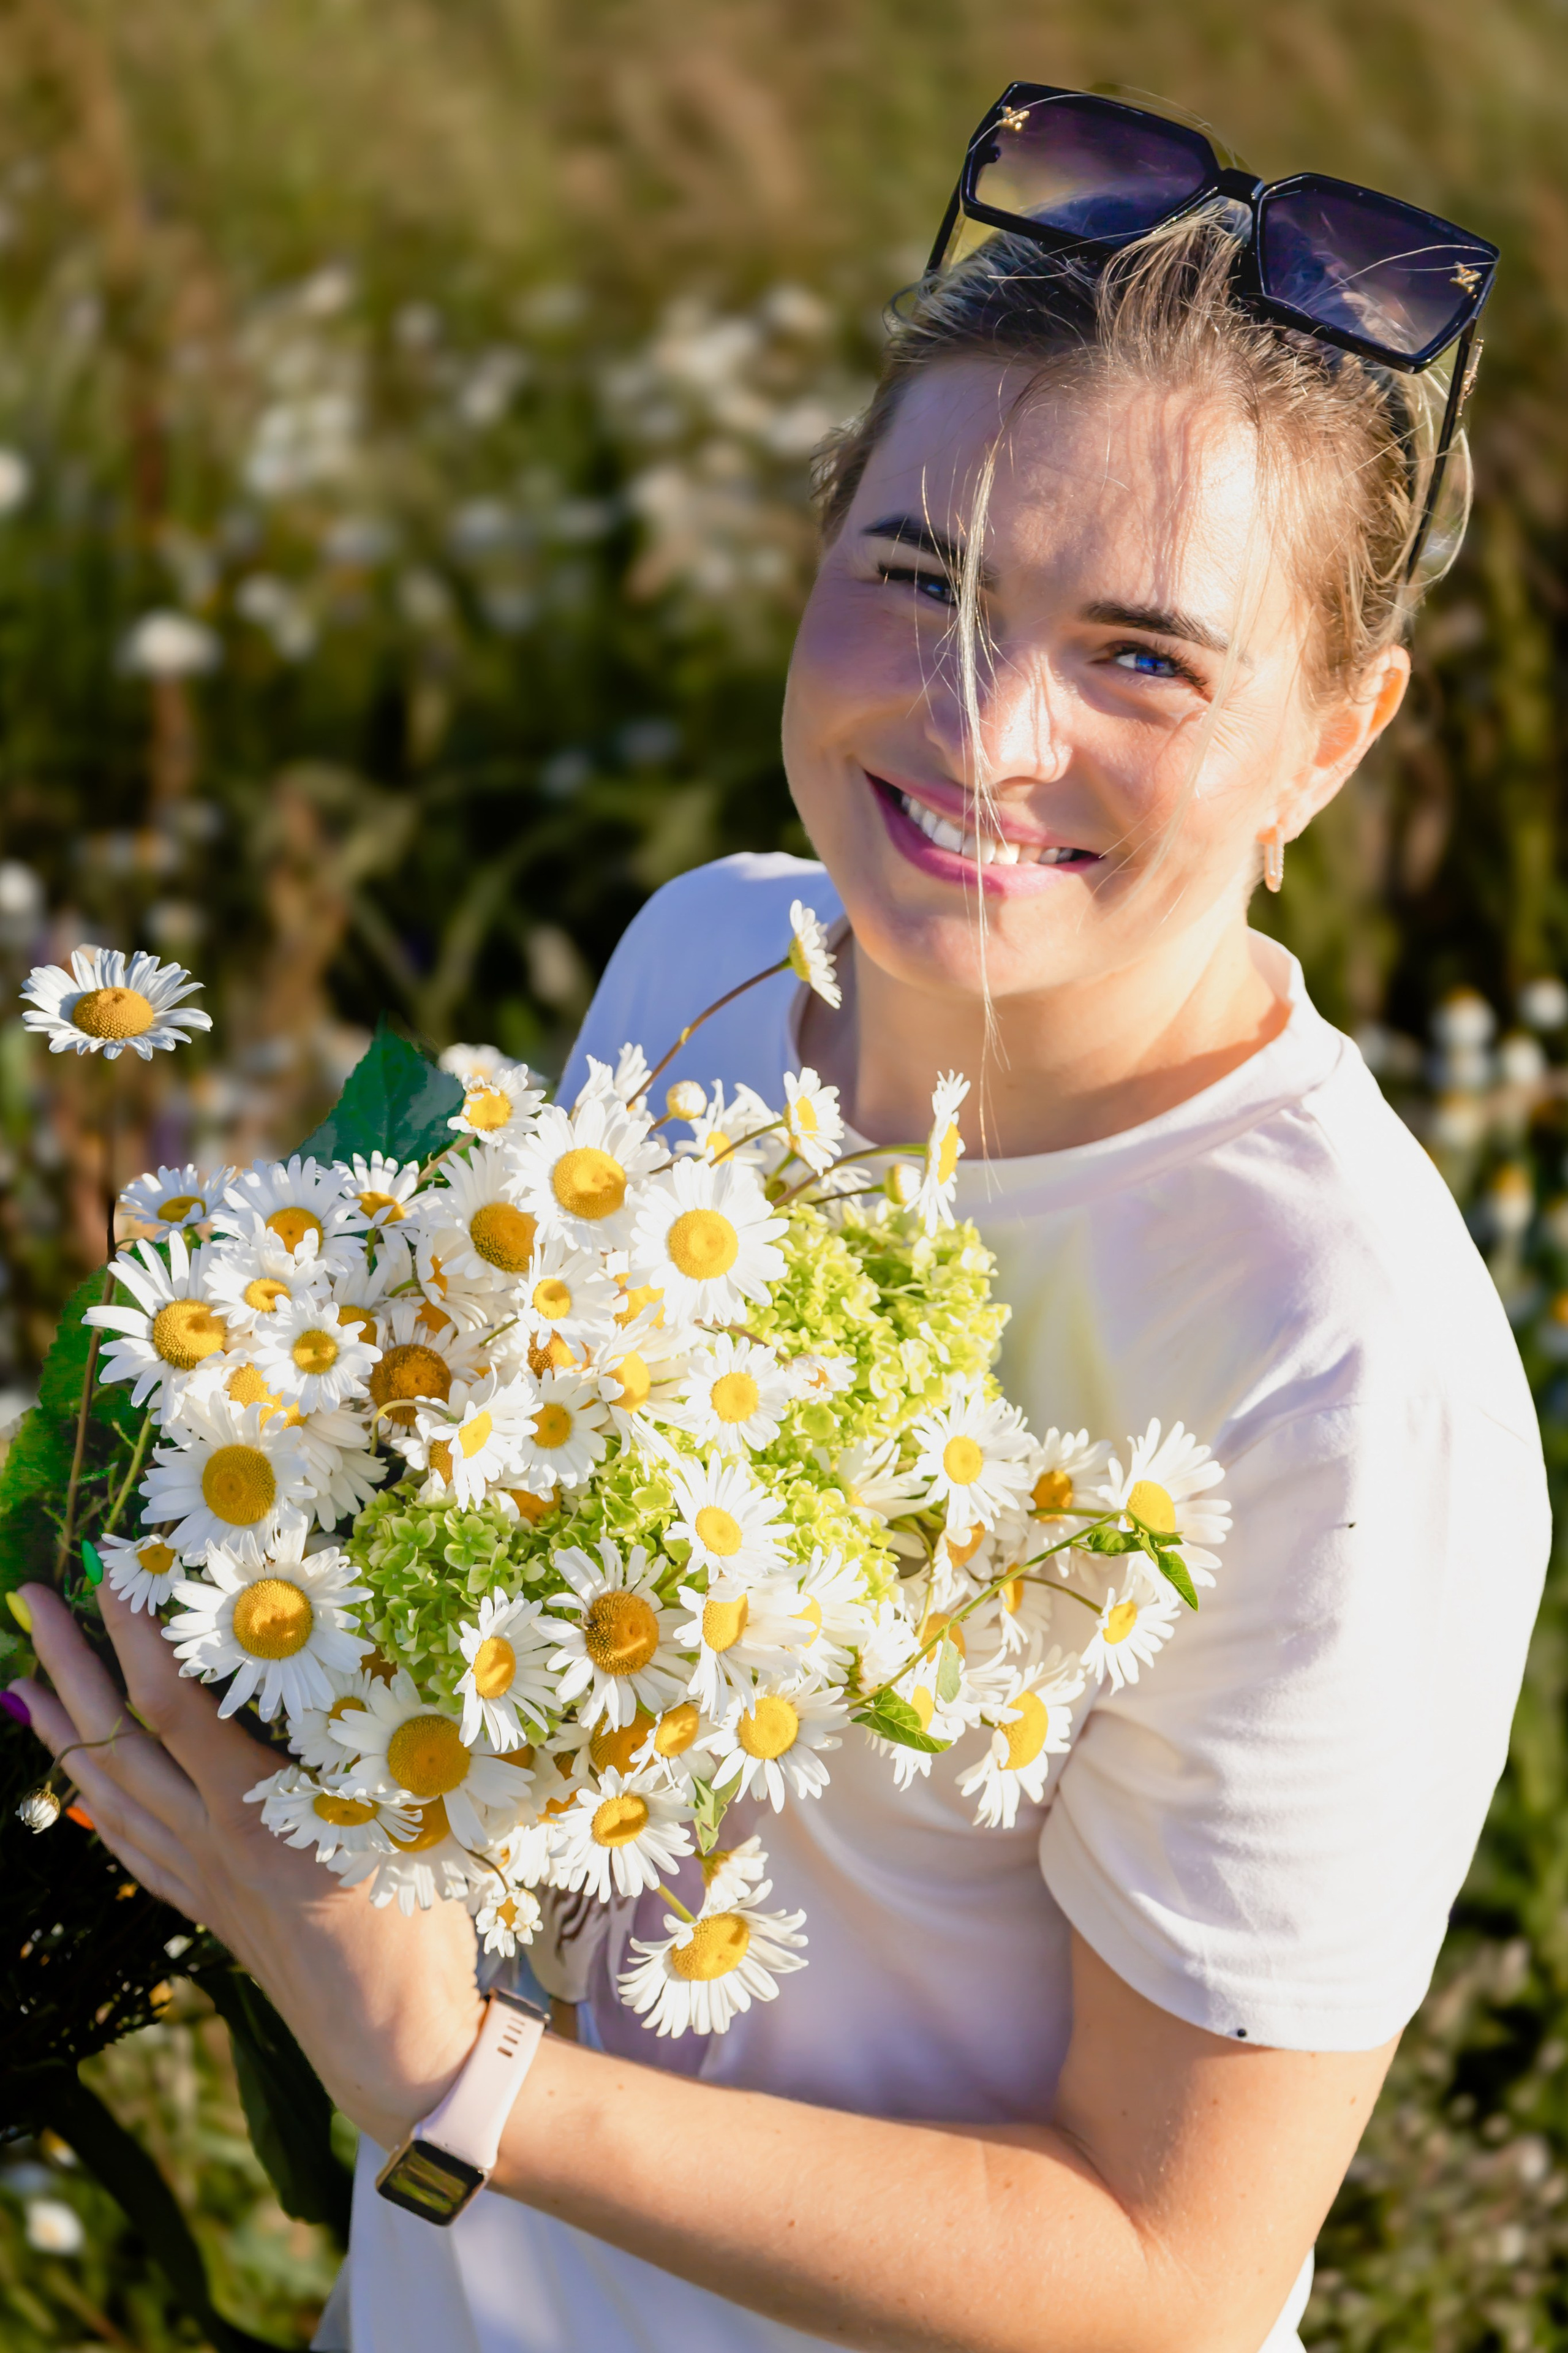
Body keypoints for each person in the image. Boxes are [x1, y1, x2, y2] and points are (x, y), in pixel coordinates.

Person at [11, 87, 1548, 2353]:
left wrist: (446, 2074)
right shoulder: (715, 962)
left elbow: (1169, 2269)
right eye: (922, 577)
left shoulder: (1333, 1357)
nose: (981, 726)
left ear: (1335, 733)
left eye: (1144, 655)